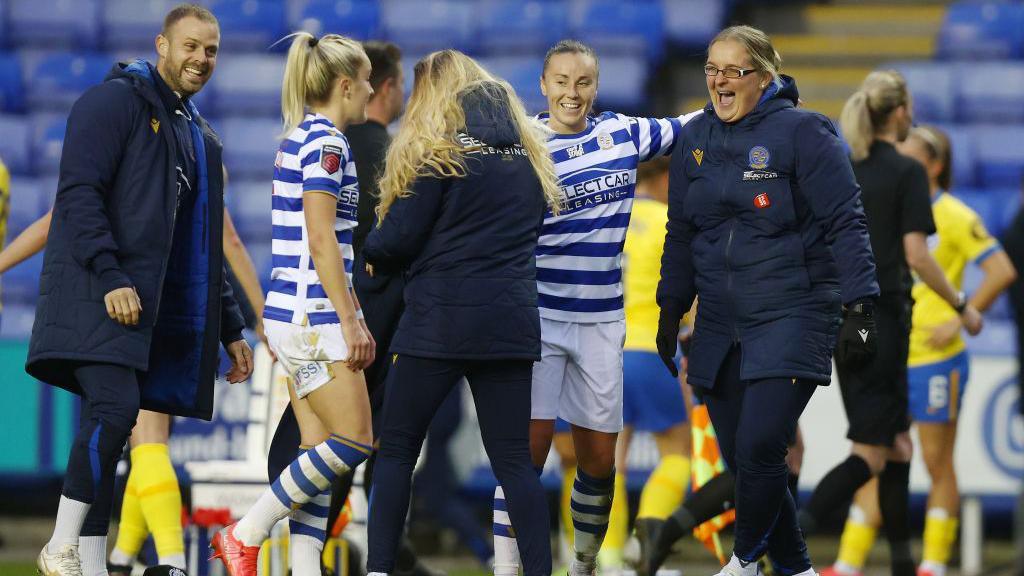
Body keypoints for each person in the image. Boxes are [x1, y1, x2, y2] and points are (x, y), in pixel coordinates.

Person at [27, 4, 254, 576]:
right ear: (162, 44)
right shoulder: (113, 103)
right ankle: (60, 546)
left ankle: (95, 563)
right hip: (94, 291)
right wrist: (110, 276)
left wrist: (231, 327)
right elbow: (78, 197)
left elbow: (197, 245)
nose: (201, 58)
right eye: (191, 46)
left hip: (140, 307)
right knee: (116, 408)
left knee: (113, 423)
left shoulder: (195, 133)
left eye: (212, 49)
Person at [657, 25, 880, 576]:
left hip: (794, 310)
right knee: (746, 460)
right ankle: (798, 570)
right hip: (719, 321)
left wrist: (861, 307)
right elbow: (680, 231)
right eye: (712, 69)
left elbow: (845, 222)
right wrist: (669, 307)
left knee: (761, 447)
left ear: (765, 76)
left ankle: (743, 562)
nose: (719, 81)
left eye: (734, 70)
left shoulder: (806, 132)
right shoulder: (694, 138)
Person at [491, 39, 702, 576]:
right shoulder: (520, 146)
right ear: (543, 85)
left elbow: (689, 124)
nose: (572, 93)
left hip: (602, 325)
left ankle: (584, 565)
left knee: (600, 463)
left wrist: (752, 95)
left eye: (582, 82)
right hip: (536, 320)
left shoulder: (622, 133)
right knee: (526, 461)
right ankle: (505, 569)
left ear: (596, 86)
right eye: (561, 81)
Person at [362, 49, 561, 576]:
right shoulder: (530, 157)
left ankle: (379, 569)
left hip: (438, 324)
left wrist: (374, 250)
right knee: (515, 464)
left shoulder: (441, 153)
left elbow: (394, 241)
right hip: (510, 325)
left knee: (398, 452)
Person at [797, 72, 983, 576]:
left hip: (846, 320)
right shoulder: (904, 172)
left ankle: (903, 561)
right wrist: (962, 304)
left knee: (896, 443)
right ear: (899, 112)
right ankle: (786, 537)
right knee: (872, 451)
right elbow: (916, 255)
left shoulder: (843, 166)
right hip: (885, 321)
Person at [209, 32, 377, 576]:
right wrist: (350, 318)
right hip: (313, 319)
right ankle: (245, 531)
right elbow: (322, 239)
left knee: (316, 449)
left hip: (291, 312)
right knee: (354, 441)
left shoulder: (298, 137)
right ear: (346, 86)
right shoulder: (329, 144)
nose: (372, 90)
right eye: (367, 80)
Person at [821, 126, 1016, 576]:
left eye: (910, 153)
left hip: (933, 356)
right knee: (875, 451)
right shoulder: (889, 207)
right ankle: (849, 561)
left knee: (934, 459)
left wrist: (958, 317)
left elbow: (1001, 270)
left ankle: (932, 563)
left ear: (934, 164)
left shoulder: (953, 215)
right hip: (891, 351)